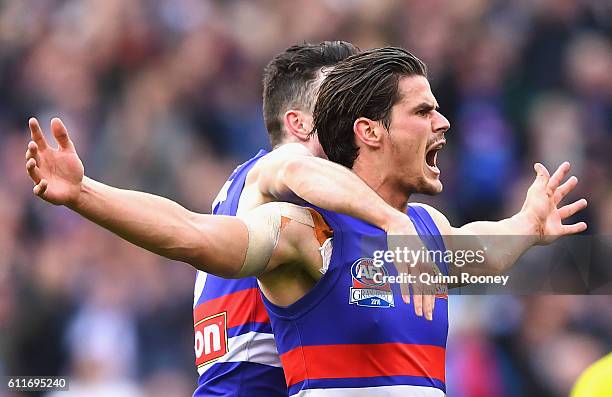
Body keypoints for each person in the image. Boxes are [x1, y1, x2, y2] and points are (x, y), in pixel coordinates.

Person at [26, 46, 587, 396]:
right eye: (422, 112)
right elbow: (191, 234)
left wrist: (527, 226)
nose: (444, 123)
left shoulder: (423, 228)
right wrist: (85, 193)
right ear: (365, 129)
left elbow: (476, 252)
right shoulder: (299, 218)